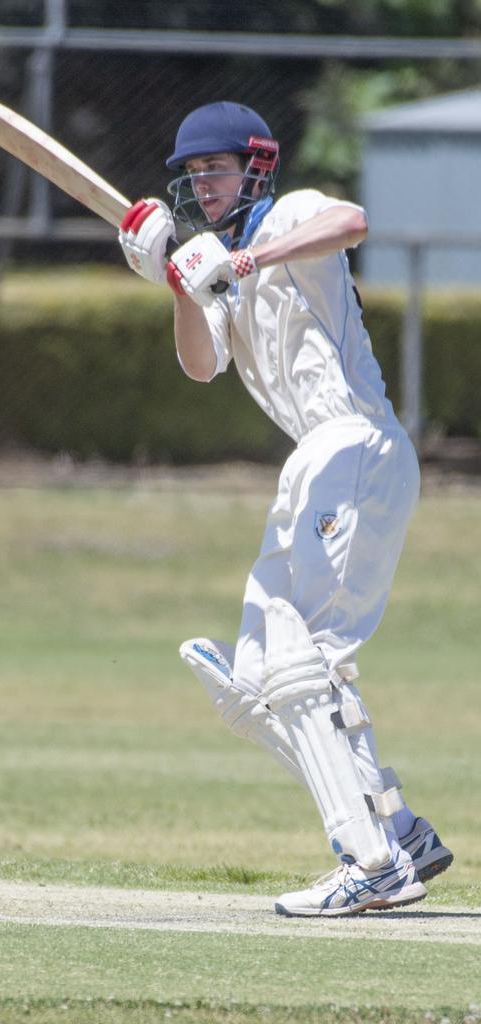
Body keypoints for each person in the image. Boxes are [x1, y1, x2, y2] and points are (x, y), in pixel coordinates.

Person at [118, 100, 453, 917]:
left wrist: (245, 260)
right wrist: (179, 280)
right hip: (317, 462)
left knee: (302, 656)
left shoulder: (292, 214)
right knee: (261, 678)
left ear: (256, 166)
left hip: (354, 444)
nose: (205, 185)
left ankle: (371, 863)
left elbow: (353, 220)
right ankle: (396, 828)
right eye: (193, 176)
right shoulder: (218, 262)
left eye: (217, 169)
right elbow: (200, 365)